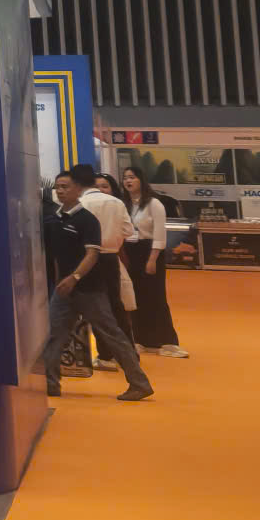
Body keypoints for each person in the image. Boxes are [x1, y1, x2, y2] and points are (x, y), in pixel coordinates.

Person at [39, 170, 152, 401]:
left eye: (65, 187)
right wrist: (61, 281)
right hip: (64, 291)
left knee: (111, 333)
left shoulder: (87, 220)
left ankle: (139, 383)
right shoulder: (55, 219)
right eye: (58, 187)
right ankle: (51, 383)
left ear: (77, 190)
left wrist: (75, 277)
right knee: (54, 334)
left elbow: (92, 254)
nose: (61, 191)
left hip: (89, 289)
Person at [72, 161, 135, 365]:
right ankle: (129, 353)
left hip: (87, 259)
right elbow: (128, 231)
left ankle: (106, 355)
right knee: (116, 305)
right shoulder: (116, 202)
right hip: (110, 258)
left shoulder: (80, 204)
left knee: (96, 308)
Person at [121, 166, 188, 357]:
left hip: (150, 252)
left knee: (156, 296)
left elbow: (160, 234)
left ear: (141, 180)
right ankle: (140, 340)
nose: (128, 181)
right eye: (125, 178)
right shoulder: (124, 204)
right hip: (130, 252)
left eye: (132, 177)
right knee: (134, 297)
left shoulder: (154, 203)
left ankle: (167, 342)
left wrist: (152, 259)